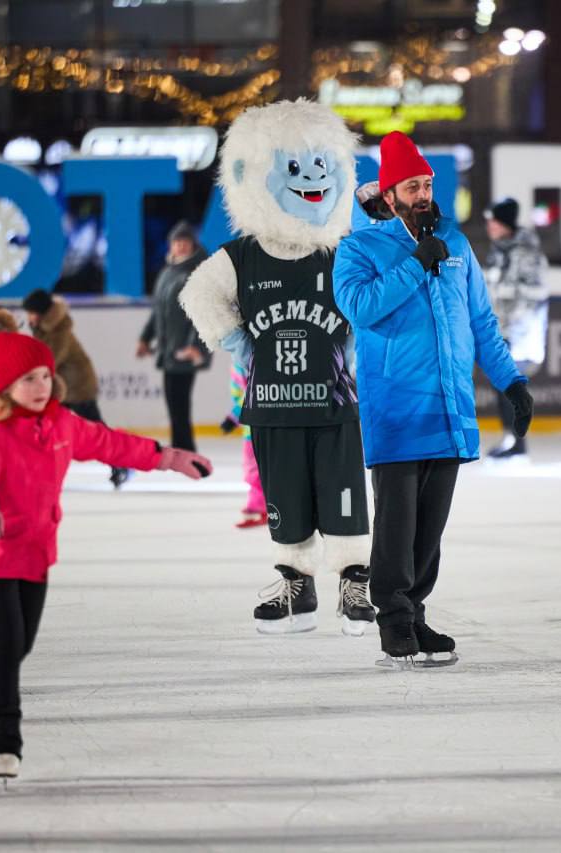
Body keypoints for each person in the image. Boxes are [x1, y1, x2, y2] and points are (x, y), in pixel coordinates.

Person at [0, 331, 212, 781]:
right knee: (8, 646)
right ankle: (6, 743)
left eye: (46, 376)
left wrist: (166, 458)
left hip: (35, 550)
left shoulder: (60, 423)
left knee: (21, 644)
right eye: (28, 379)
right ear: (5, 386)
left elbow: (111, 443)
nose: (41, 385)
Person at [333, 131, 533, 666]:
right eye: (412, 185)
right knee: (397, 524)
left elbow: (481, 323)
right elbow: (359, 307)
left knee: (429, 528)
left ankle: (415, 613)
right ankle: (393, 620)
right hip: (396, 410)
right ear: (390, 192)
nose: (423, 194)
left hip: (450, 411)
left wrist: (511, 382)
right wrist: (415, 262)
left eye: (427, 184)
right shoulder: (360, 247)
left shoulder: (456, 244)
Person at [180, 99, 375, 637]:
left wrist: (360, 344)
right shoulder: (241, 257)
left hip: (337, 407)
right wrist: (234, 340)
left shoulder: (342, 253)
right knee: (285, 501)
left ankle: (355, 581)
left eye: (322, 165)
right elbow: (198, 294)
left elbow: (380, 301)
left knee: (345, 498)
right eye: (294, 167)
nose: (313, 178)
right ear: (247, 174)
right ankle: (297, 583)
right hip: (271, 410)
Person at [21, 289, 128, 489]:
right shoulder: (44, 328)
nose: (28, 317)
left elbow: (48, 361)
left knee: (96, 430)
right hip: (62, 388)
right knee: (42, 427)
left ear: (41, 312)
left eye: (31, 313)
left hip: (78, 388)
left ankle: (121, 461)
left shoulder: (58, 331)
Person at [482, 197, 549, 460]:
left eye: (495, 221)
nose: (490, 226)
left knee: (510, 387)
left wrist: (510, 322)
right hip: (501, 330)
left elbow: (535, 291)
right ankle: (512, 439)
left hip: (518, 332)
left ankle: (518, 442)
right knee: (502, 386)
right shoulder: (498, 250)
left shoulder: (526, 252)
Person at [137, 221, 210, 451]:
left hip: (184, 351)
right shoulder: (168, 273)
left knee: (179, 401)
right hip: (169, 350)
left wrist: (195, 345)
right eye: (176, 242)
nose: (180, 247)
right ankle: (180, 446)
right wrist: (145, 338)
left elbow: (201, 315)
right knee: (173, 401)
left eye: (184, 242)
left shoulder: (195, 275)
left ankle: (185, 448)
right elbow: (158, 310)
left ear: (192, 245)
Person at [221, 360, 268, 529]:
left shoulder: (245, 358)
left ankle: (261, 506)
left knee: (256, 468)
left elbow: (252, 391)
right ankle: (261, 505)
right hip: (250, 426)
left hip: (257, 424)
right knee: (254, 467)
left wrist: (233, 417)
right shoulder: (237, 360)